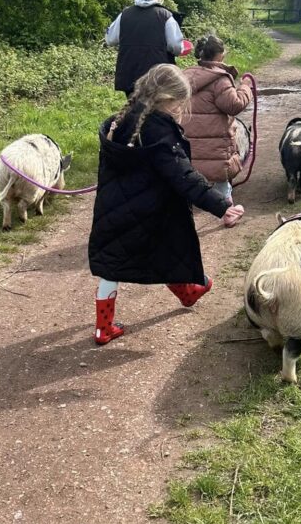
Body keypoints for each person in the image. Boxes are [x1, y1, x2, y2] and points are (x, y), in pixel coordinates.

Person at [88, 64, 245, 345]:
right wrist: (222, 206)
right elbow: (184, 177)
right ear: (169, 100)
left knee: (112, 267)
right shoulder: (160, 132)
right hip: (151, 210)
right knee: (167, 247)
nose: (180, 108)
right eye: (179, 103)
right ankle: (189, 289)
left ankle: (103, 327)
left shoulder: (124, 119)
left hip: (114, 209)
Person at [180, 35, 253, 208]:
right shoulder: (219, 79)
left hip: (188, 145)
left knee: (192, 176)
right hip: (216, 149)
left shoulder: (184, 76)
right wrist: (246, 87)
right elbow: (234, 105)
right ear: (220, 55)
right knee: (221, 183)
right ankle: (228, 211)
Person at [105, 0, 186, 97]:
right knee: (155, 111)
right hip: (157, 75)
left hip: (130, 74)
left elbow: (110, 39)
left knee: (134, 110)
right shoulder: (166, 16)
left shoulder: (125, 14)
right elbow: (176, 47)